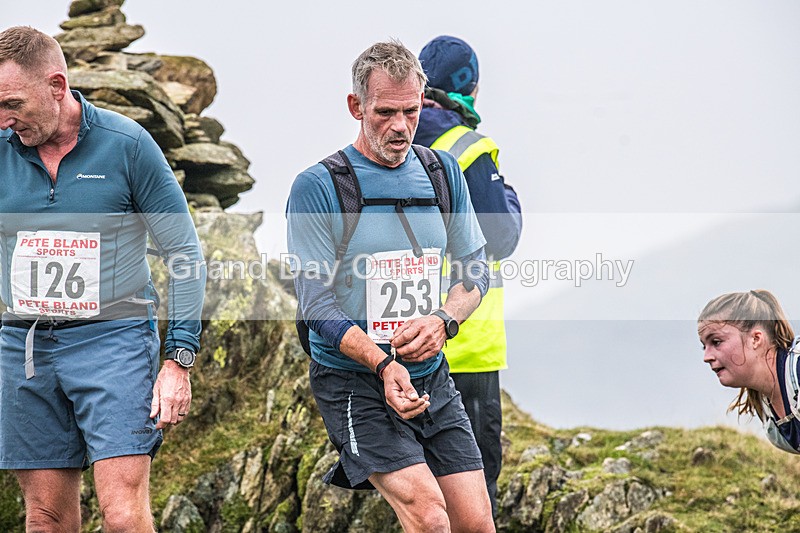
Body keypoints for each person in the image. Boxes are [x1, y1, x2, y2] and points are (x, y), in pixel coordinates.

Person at [0, 26, 206, 531]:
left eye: (12, 103)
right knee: (45, 518)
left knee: (121, 516)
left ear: (56, 85)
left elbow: (183, 251)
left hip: (113, 341)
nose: (3, 119)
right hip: (23, 348)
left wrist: (178, 358)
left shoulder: (128, 146)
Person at [286, 39, 495, 532]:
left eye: (411, 110)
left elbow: (475, 267)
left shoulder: (442, 172)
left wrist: (444, 321)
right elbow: (314, 301)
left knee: (477, 523)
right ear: (356, 106)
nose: (400, 126)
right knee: (428, 514)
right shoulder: (319, 186)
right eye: (385, 112)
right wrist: (382, 364)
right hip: (354, 380)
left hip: (430, 375)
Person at [413, 35, 522, 516]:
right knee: (474, 487)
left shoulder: (389, 140)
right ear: (470, 88)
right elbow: (501, 236)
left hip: (401, 341)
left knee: (420, 491)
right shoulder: (469, 147)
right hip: (466, 342)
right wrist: (510, 195)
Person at [698, 289, 800, 454]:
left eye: (716, 342)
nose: (706, 357)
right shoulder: (765, 404)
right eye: (704, 346)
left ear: (756, 339)